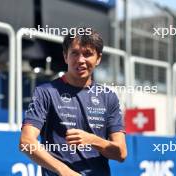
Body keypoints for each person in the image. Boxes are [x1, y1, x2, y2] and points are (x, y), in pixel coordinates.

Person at [19, 28, 127, 176]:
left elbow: (121, 153)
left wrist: (92, 140)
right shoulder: (45, 92)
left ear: (98, 58)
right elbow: (26, 142)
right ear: (65, 56)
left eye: (88, 54)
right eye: (75, 53)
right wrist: (64, 171)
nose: (80, 60)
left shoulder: (108, 97)